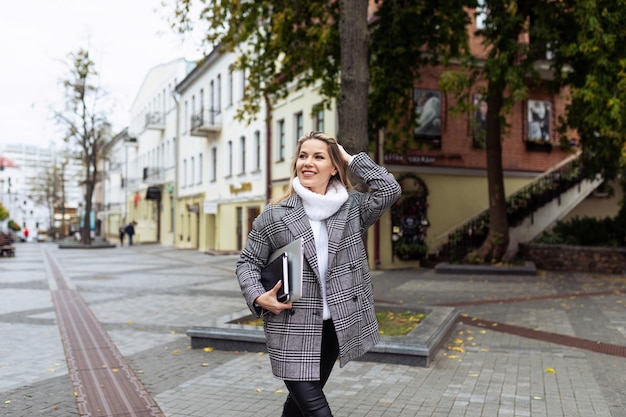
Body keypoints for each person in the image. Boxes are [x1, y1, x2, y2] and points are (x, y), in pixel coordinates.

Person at [236, 131, 401, 417]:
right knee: (317, 411)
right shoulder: (275, 214)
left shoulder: (352, 208)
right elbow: (248, 262)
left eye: (318, 156)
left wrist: (349, 157)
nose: (307, 162)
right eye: (302, 156)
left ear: (334, 167)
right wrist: (258, 296)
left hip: (334, 328)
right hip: (291, 326)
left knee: (297, 407)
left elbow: (388, 189)